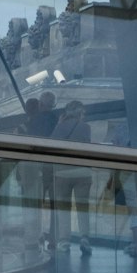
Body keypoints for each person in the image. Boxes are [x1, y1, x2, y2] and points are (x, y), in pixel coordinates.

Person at [49, 99, 95, 255]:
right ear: (81, 113)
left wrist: (58, 125)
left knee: (64, 207)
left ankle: (64, 241)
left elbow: (50, 144)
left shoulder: (60, 127)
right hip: (83, 171)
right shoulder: (86, 127)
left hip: (62, 172)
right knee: (83, 207)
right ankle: (84, 238)